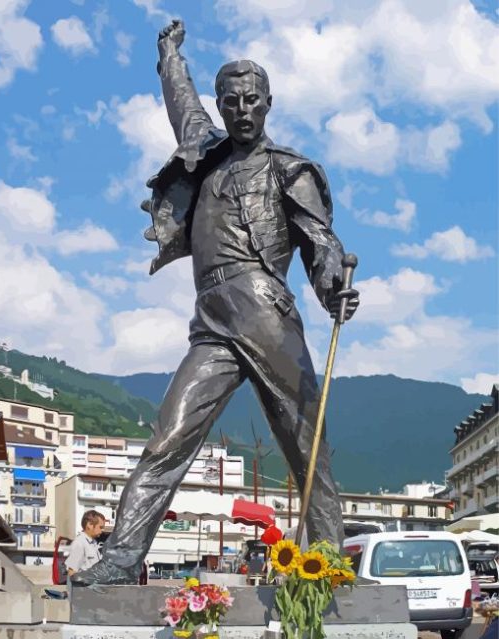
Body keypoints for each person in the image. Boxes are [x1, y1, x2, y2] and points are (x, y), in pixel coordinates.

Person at [71, 19, 359, 587]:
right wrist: (169, 54)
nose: (242, 109)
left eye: (252, 100)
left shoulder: (289, 169)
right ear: (221, 107)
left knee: (304, 443)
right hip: (211, 320)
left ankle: (329, 561)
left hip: (265, 309)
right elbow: (181, 101)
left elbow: (321, 243)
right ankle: (123, 557)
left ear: (269, 103)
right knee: (169, 436)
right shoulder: (204, 154)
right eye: (231, 101)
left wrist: (331, 283)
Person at [66, 510, 105, 577]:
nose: (102, 530)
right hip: (84, 587)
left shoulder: (93, 542)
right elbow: (72, 573)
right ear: (89, 525)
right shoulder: (79, 543)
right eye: (100, 527)